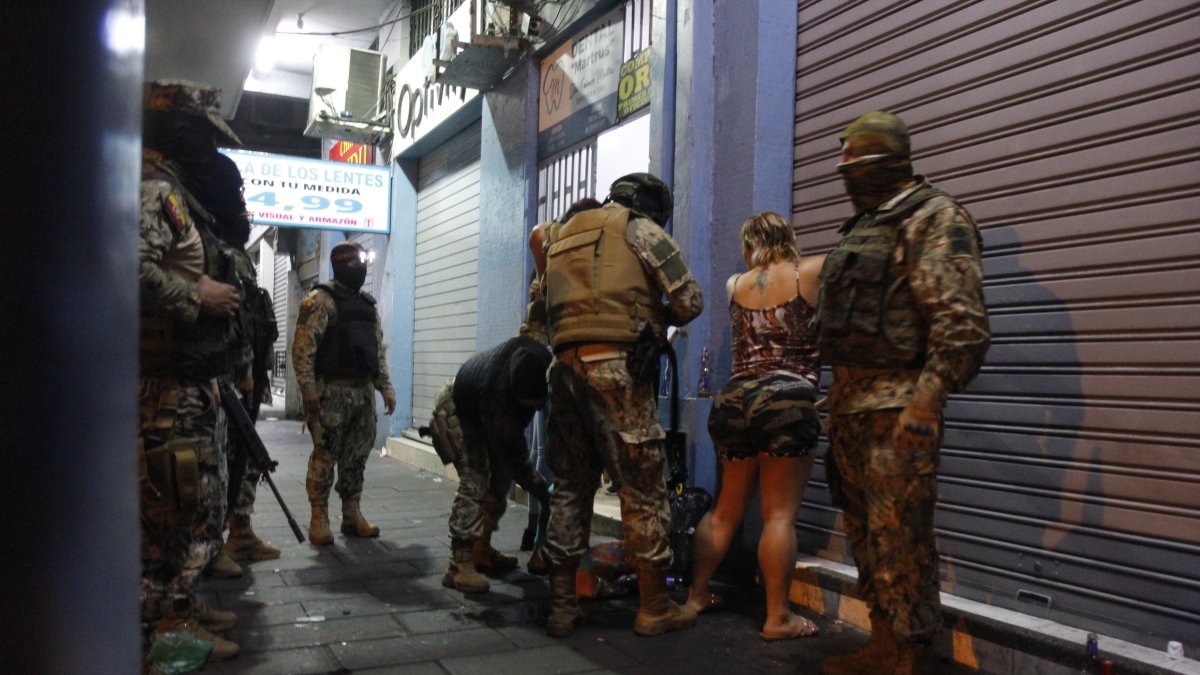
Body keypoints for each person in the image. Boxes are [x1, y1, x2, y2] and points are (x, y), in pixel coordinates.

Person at [817, 111, 990, 675]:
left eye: (854, 158)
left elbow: (960, 322)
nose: (843, 168)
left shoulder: (935, 218)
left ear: (888, 159)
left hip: (898, 410)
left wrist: (927, 401)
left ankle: (909, 657)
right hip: (850, 408)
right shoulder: (865, 226)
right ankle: (884, 646)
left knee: (901, 540)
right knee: (866, 536)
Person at [537, 173, 705, 637]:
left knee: (571, 485)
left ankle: (563, 606)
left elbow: (540, 306)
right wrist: (654, 319)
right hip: (616, 370)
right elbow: (690, 300)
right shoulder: (637, 228)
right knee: (642, 486)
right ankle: (655, 607)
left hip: (564, 370)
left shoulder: (560, 234)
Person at [138, 79, 243, 662]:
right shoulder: (156, 189)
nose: (213, 152)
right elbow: (127, 267)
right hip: (166, 389)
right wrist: (195, 296)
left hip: (190, 384)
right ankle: (164, 632)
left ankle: (182, 605)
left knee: (192, 508)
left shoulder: (177, 192)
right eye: (205, 138)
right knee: (167, 517)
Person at [685, 211, 824, 641]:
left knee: (725, 510)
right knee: (778, 514)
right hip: (786, 399)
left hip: (734, 400)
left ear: (750, 245)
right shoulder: (811, 271)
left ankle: (696, 596)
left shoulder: (735, 284)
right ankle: (777, 617)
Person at [194, 153, 282, 573]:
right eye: (238, 196)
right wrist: (244, 372)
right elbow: (231, 318)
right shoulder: (211, 250)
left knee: (242, 457)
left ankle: (238, 531)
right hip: (224, 378)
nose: (244, 206)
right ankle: (208, 547)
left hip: (243, 375)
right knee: (217, 463)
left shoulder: (232, 251)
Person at [428, 336, 553, 594]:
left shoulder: (546, 368)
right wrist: (539, 487)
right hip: (458, 408)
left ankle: (480, 550)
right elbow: (516, 458)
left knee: (501, 479)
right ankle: (459, 564)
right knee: (476, 480)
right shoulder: (496, 396)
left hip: (485, 404)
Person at [292, 241, 397, 546]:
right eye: (355, 263)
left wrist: (386, 387)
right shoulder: (320, 300)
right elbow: (303, 349)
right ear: (339, 264)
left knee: (356, 458)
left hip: (362, 394)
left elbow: (377, 349)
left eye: (363, 262)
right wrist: (308, 390)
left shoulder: (367, 306)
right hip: (331, 394)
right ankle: (319, 517)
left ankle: (351, 514)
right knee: (325, 456)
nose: (361, 269)